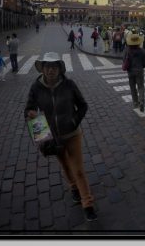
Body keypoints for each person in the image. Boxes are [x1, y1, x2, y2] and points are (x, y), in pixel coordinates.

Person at [23, 52, 96, 221]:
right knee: (65, 166)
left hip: (73, 134)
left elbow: (83, 106)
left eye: (54, 67)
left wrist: (73, 121)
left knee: (78, 170)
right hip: (53, 137)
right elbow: (29, 109)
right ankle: (73, 188)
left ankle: (88, 203)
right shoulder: (36, 87)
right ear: (42, 69)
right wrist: (32, 116)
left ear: (59, 69)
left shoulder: (69, 84)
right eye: (47, 67)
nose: (50, 70)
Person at [123, 33, 145, 112]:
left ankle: (135, 102)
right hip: (139, 71)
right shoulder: (142, 51)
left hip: (130, 71)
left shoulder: (127, 50)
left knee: (132, 87)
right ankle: (141, 101)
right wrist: (141, 66)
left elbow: (124, 61)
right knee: (141, 87)